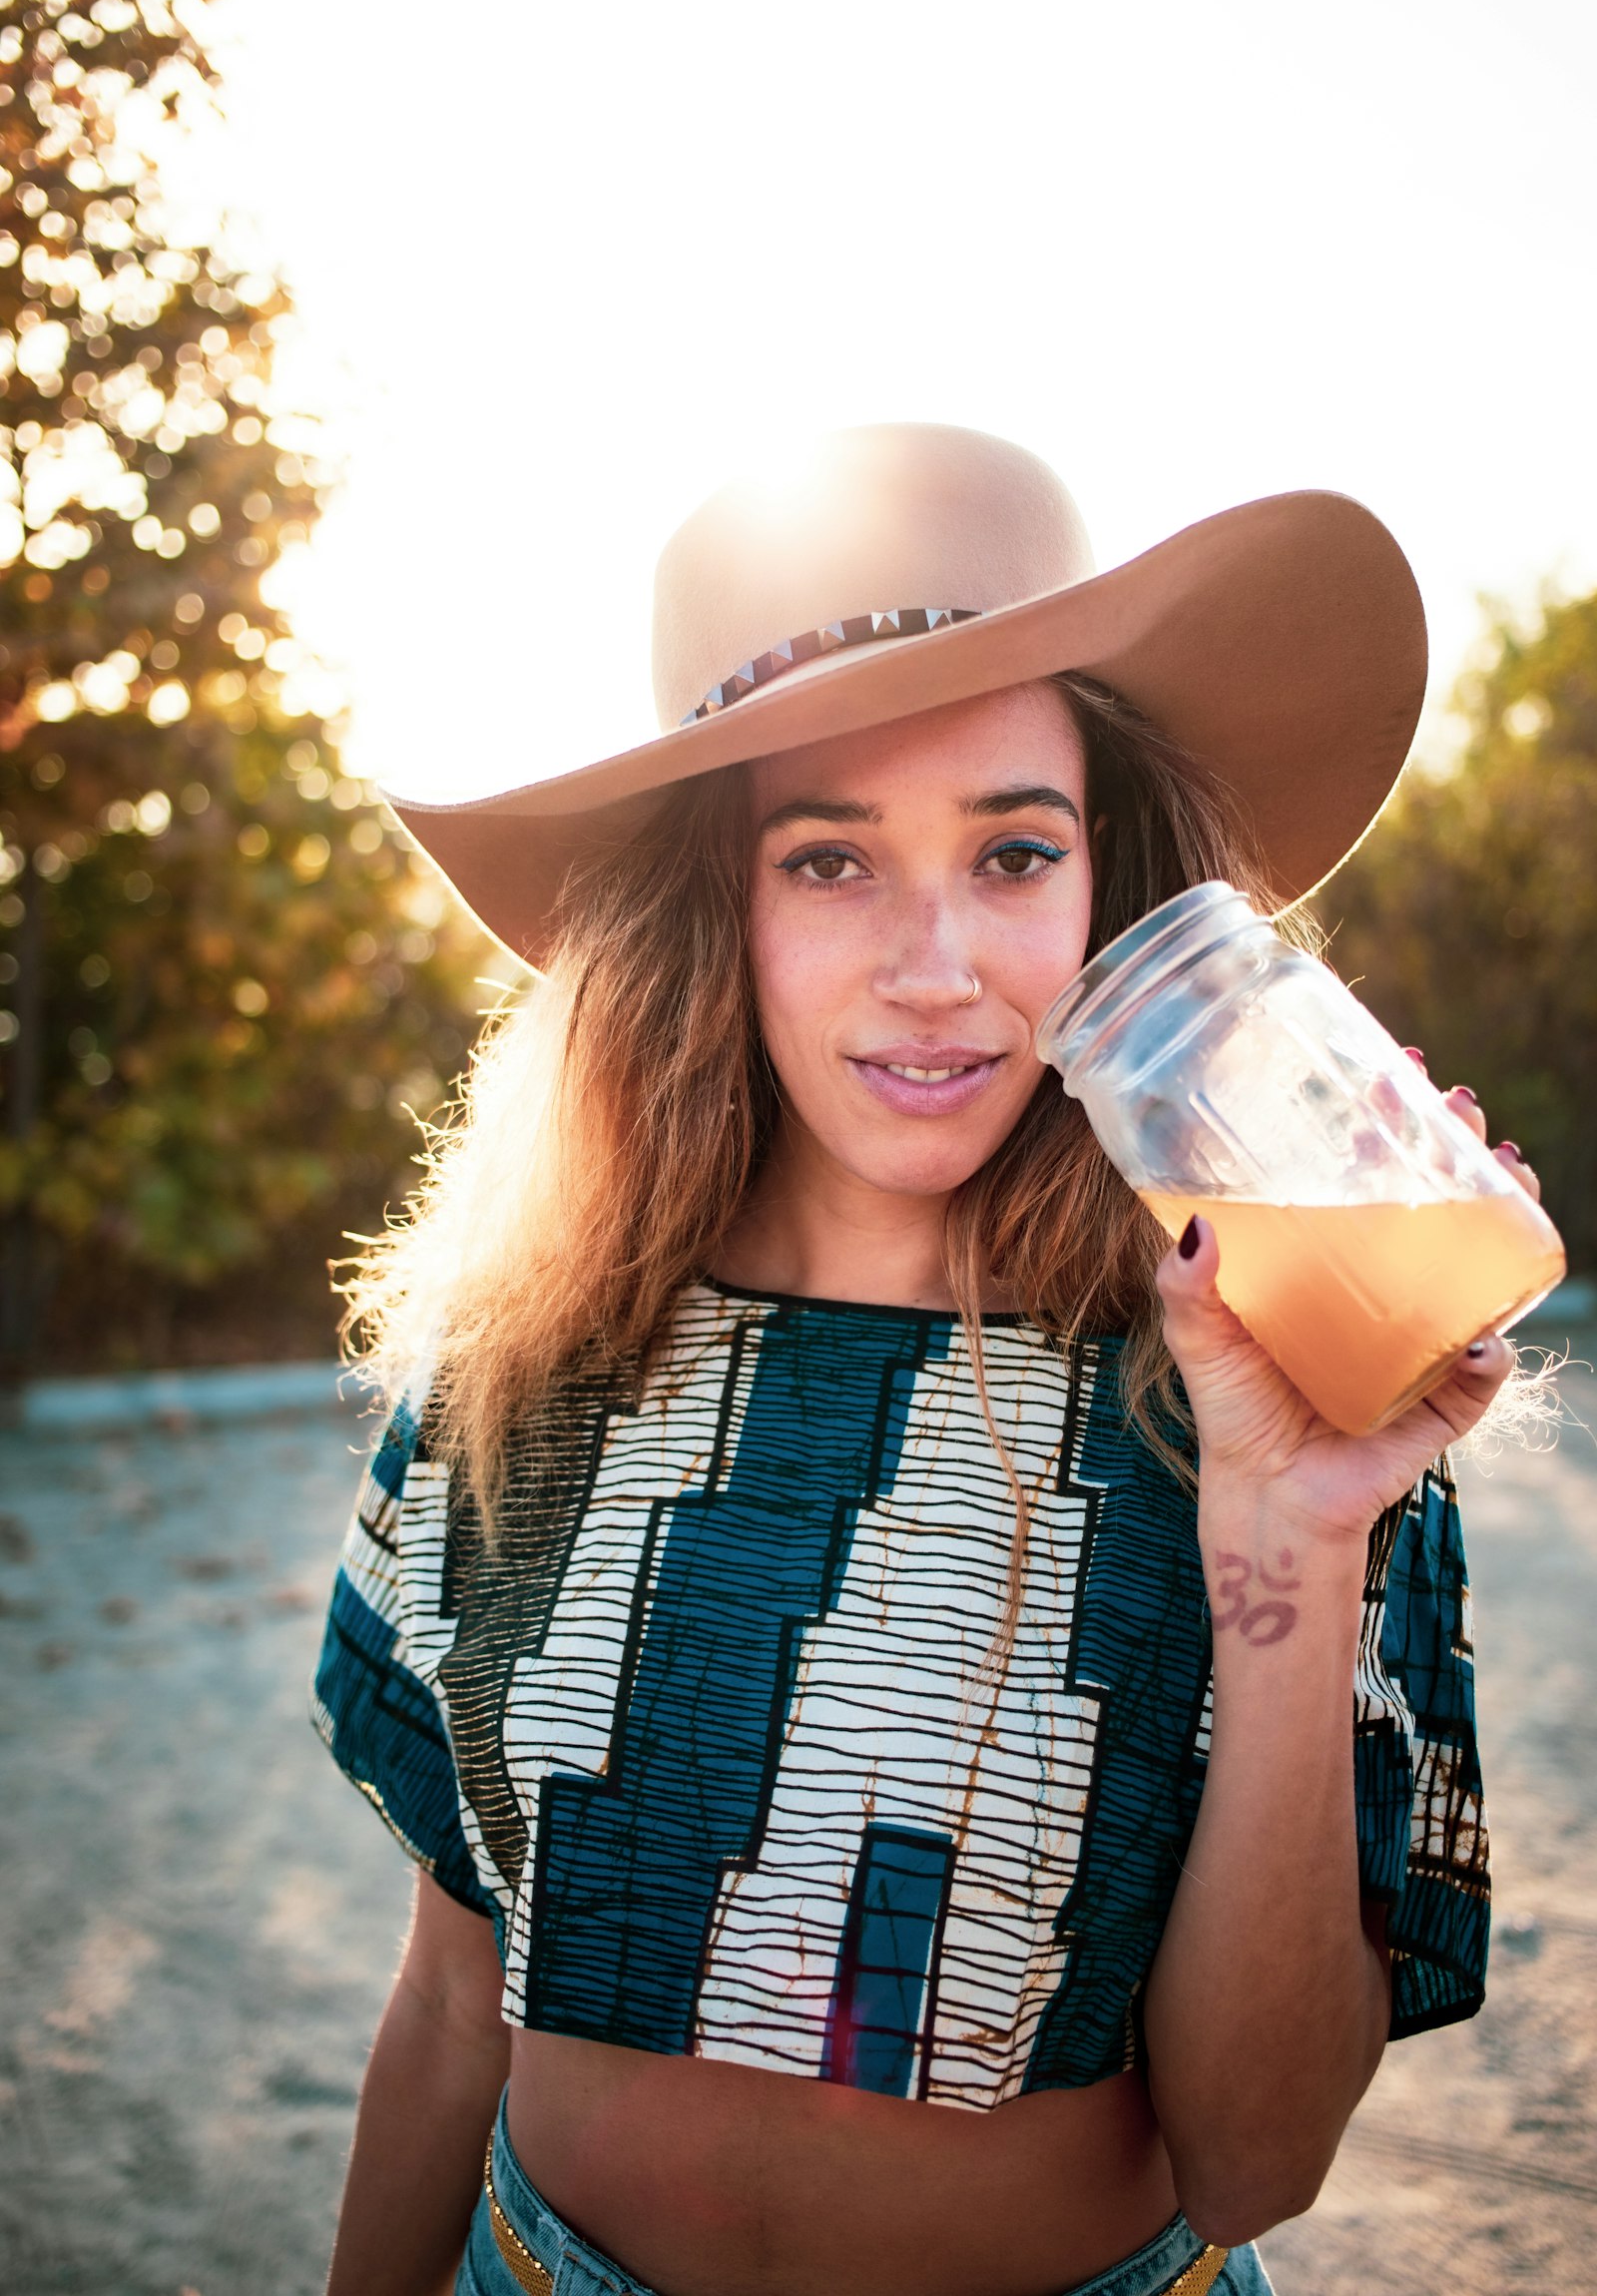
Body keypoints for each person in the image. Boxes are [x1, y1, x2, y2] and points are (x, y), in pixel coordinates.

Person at [310, 424, 1525, 2296]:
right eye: (831, 861)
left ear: (1111, 887)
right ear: (712, 905)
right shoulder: (525, 1370)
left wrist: (1283, 1533)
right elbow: (452, 2007)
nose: (939, 961)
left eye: (1013, 849)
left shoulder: (1262, 1373)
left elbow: (1260, 2160)